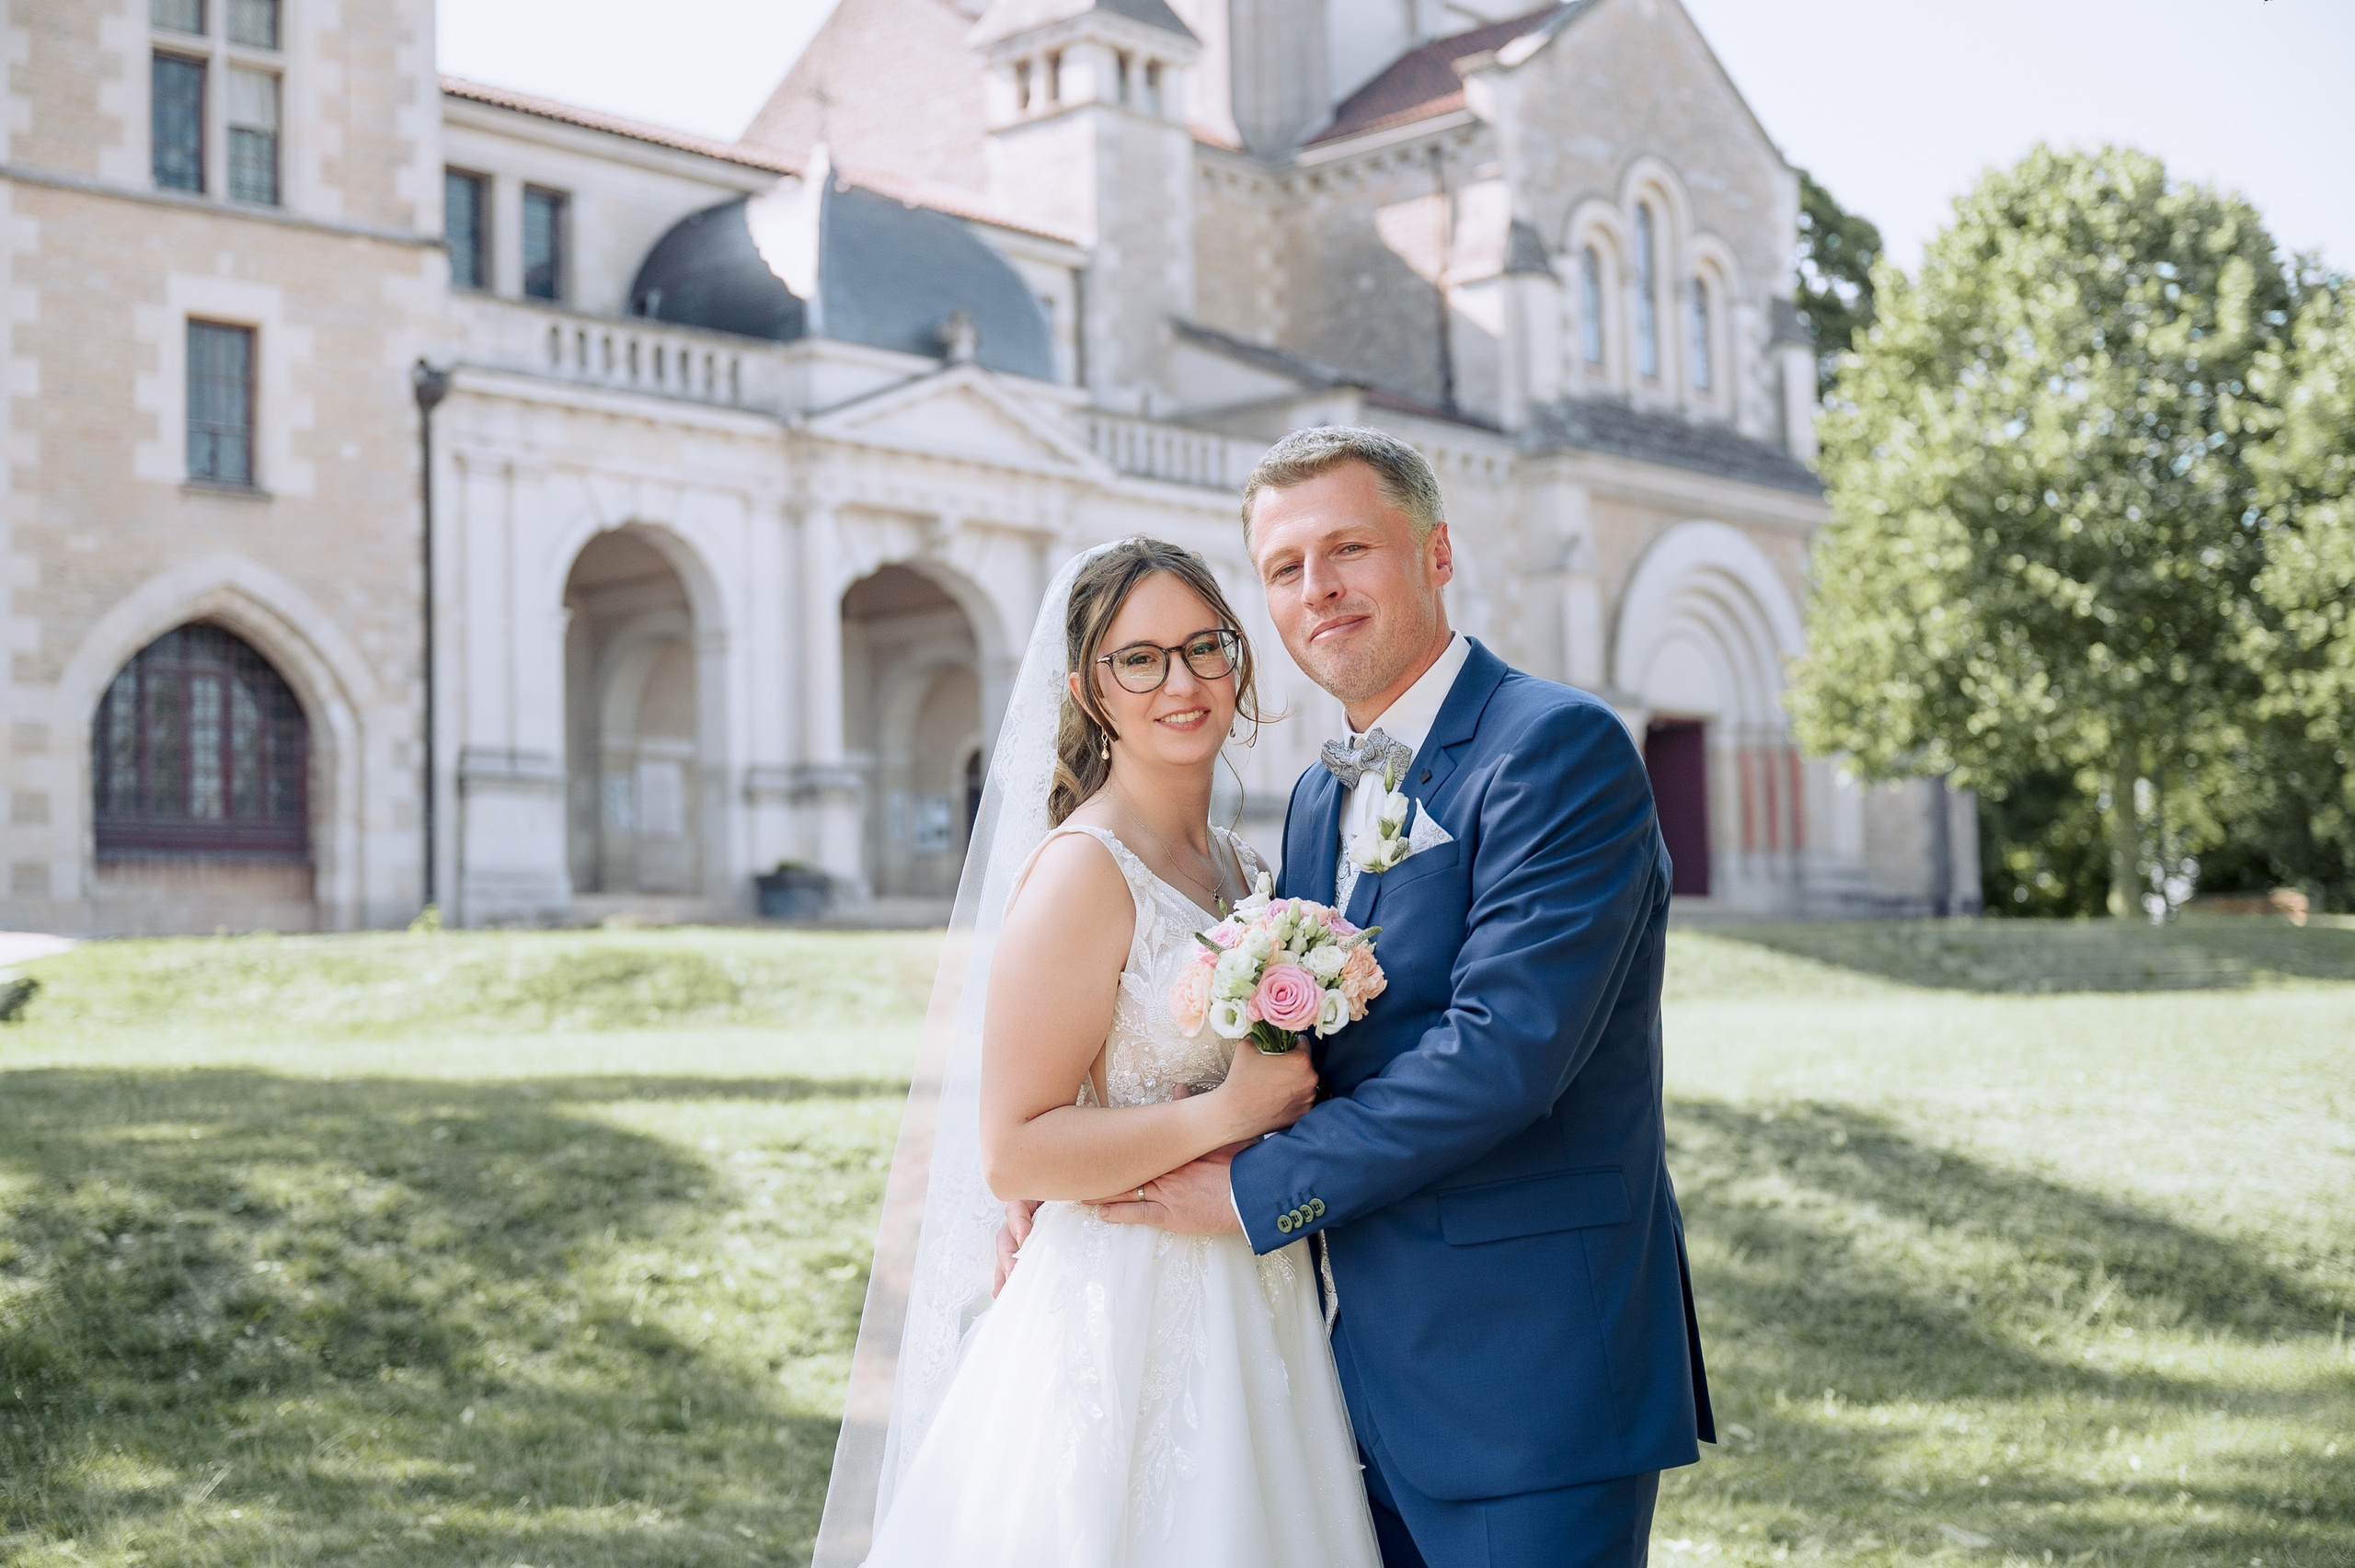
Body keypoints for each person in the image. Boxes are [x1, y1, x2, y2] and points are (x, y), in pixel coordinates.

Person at [1084, 426, 1716, 1568]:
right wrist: (1093, 1171)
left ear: (1435, 554)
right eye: (1283, 569)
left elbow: (1504, 1053)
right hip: (1343, 1380)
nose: (1316, 589)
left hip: (1526, 1371)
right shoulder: (1322, 804)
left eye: (1348, 550)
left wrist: (1250, 1190)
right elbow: (1300, 1050)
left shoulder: (1555, 748)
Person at [845, 536, 1385, 1568]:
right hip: (1125, 1313)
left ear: (1239, 662)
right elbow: (1013, 1151)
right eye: (1138, 658)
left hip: (1257, 1294)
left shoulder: (1247, 867)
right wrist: (1226, 1114)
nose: (1179, 682)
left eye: (1203, 648)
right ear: (1090, 688)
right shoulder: (1082, 873)